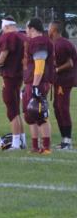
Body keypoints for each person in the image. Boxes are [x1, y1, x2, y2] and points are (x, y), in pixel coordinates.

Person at [0, 17, 26, 150]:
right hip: (20, 76)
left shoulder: (8, 36)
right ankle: (22, 141)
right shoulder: (24, 37)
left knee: (12, 111)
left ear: (5, 26)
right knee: (16, 110)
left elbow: (3, 55)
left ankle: (16, 143)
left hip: (9, 76)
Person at [23, 18, 54, 154]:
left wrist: (35, 86)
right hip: (32, 82)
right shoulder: (36, 41)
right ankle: (35, 146)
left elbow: (40, 64)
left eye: (27, 28)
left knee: (40, 114)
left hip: (39, 82)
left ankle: (46, 147)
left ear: (32, 28)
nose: (26, 31)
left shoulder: (39, 41)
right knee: (30, 114)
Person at [48, 20, 76, 150]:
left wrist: (57, 70)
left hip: (64, 81)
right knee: (57, 108)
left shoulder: (62, 44)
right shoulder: (56, 43)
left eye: (49, 28)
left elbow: (70, 63)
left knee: (62, 108)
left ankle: (67, 141)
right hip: (59, 81)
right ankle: (64, 139)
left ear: (53, 30)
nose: (47, 30)